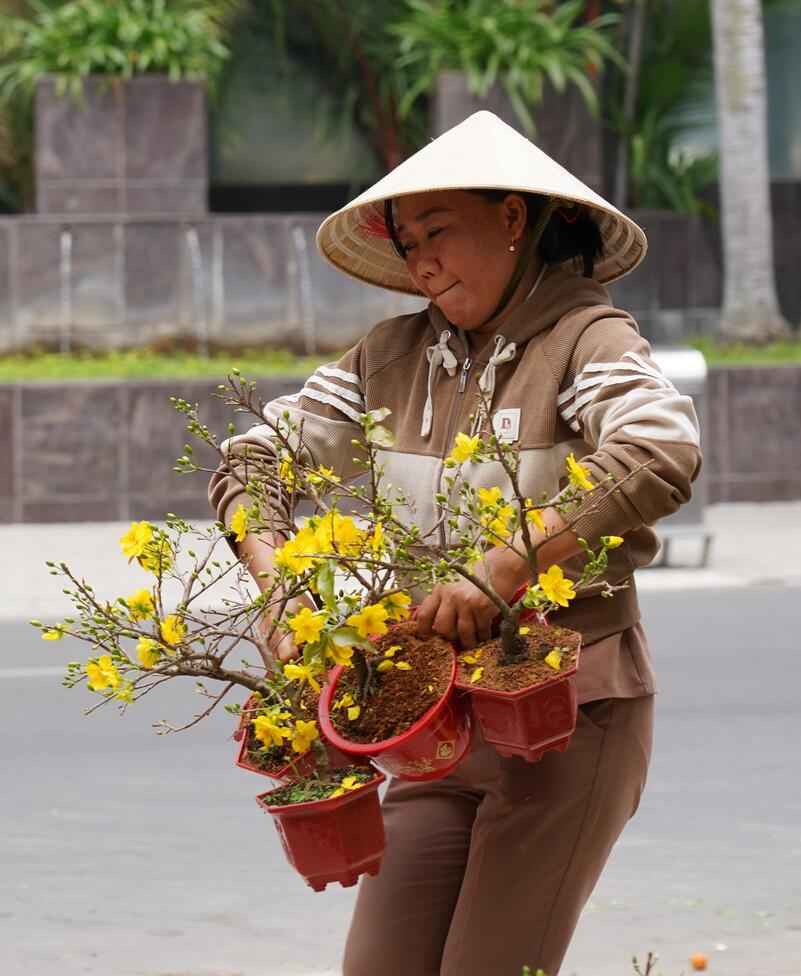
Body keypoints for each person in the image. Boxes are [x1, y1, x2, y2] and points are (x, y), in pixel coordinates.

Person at [209, 111, 702, 976]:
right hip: (430, 728)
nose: (422, 262)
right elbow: (253, 457)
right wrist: (278, 579)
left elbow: (660, 450)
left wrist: (510, 560)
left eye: (441, 231)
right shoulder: (388, 358)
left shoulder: (591, 342)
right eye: (408, 244)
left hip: (567, 717)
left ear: (514, 219)